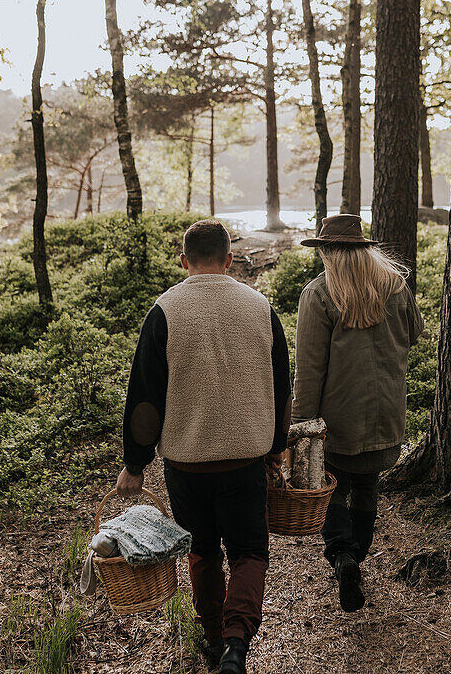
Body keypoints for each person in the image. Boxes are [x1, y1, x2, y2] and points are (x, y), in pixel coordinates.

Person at [116, 219, 291, 674]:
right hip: (245, 458)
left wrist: (135, 465)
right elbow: (280, 386)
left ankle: (213, 637)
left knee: (203, 551)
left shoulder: (164, 311)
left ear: (183, 261)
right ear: (230, 259)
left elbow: (145, 398)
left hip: (186, 463)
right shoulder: (259, 307)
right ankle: (237, 644)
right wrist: (276, 447)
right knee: (250, 552)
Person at [292, 214, 424, 612]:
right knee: (367, 485)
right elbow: (414, 334)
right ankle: (358, 555)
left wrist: (299, 426)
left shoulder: (318, 295)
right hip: (386, 413)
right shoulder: (395, 287)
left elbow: (309, 370)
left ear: (329, 252)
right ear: (365, 250)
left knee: (332, 486)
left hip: (337, 418)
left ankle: (342, 556)